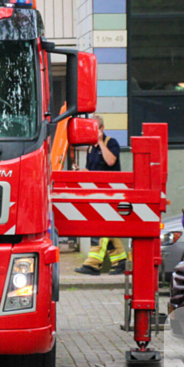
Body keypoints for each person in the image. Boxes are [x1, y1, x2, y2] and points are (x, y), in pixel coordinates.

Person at [75, 116, 127, 276]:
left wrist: (101, 142)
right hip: (97, 192)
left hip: (111, 192)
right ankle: (120, 261)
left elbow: (111, 161)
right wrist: (82, 172)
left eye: (95, 129)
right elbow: (91, 170)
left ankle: (93, 264)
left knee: (100, 227)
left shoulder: (111, 143)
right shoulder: (91, 148)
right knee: (108, 228)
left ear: (102, 129)